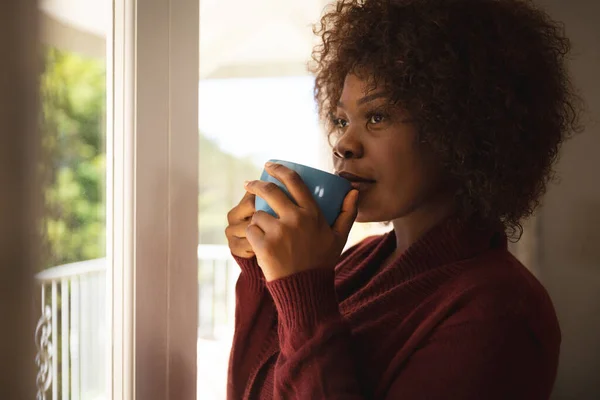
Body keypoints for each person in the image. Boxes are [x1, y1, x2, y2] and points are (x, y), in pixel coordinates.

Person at [225, 0, 581, 398]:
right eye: (342, 120)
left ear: (461, 131)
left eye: (377, 117)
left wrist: (303, 289)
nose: (343, 143)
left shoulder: (500, 310)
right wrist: (262, 275)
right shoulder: (357, 262)